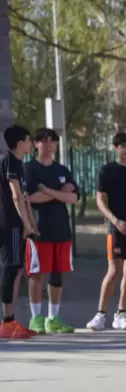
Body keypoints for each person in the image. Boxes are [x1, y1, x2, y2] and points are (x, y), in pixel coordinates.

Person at [86, 132, 126, 331]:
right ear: (116, 148)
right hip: (116, 227)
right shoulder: (106, 171)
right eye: (123, 146)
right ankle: (100, 315)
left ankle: (121, 314)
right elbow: (100, 201)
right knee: (113, 270)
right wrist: (116, 221)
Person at [24, 128, 78, 334]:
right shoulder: (29, 169)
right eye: (44, 141)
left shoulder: (63, 170)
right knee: (36, 273)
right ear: (36, 144)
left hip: (61, 229)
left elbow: (74, 197)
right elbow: (30, 197)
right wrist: (58, 193)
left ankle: (52, 318)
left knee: (57, 275)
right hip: (39, 229)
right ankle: (35, 318)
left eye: (52, 142)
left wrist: (47, 191)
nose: (49, 146)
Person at [0, 125, 37, 339]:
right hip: (10, 223)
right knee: (10, 268)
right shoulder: (11, 162)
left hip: (18, 223)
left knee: (16, 269)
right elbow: (15, 196)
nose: (30, 143)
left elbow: (24, 197)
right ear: (19, 142)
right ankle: (6, 322)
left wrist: (31, 222)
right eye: (28, 139)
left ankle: (11, 320)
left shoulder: (19, 164)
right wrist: (25, 224)